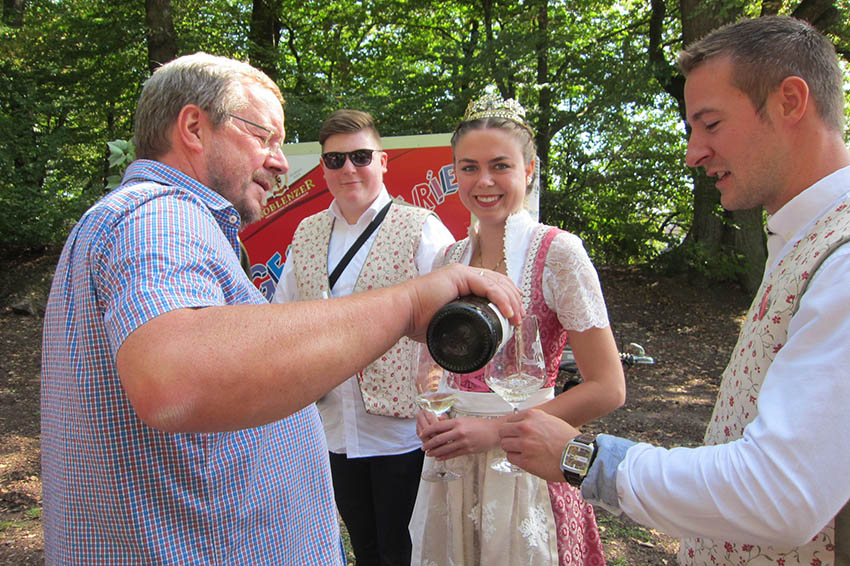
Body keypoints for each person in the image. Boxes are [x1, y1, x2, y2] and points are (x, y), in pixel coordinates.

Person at [40, 53, 523, 566]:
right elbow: (176, 378)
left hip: (386, 440)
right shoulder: (160, 217)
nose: (279, 160)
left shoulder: (148, 219)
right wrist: (408, 305)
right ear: (193, 128)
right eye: (265, 136)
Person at [499, 15, 850, 566]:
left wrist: (583, 458)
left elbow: (785, 494)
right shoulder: (810, 239)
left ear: (790, 101)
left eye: (710, 124)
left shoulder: (844, 258)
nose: (693, 152)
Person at [408, 88, 627, 566]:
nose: (483, 181)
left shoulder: (559, 253)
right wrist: (428, 412)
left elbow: (609, 388)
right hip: (453, 462)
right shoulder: (449, 259)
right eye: (469, 167)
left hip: (527, 458)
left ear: (529, 170)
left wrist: (493, 433)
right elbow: (434, 363)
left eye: (500, 165)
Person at [271, 109, 455, 566]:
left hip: (401, 429)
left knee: (403, 548)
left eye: (359, 156)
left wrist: (440, 405)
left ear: (383, 161)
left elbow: (452, 329)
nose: (348, 168)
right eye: (335, 160)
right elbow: (281, 317)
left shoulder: (423, 228)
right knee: (365, 547)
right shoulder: (306, 232)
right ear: (323, 168)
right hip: (330, 426)